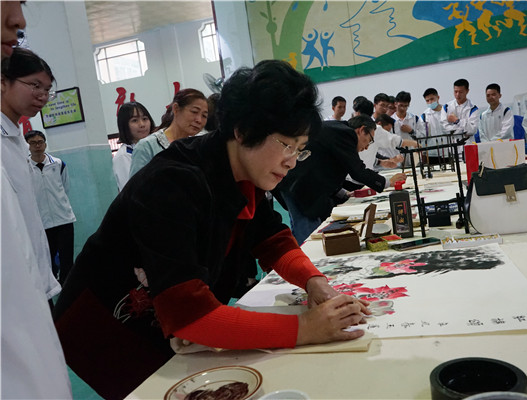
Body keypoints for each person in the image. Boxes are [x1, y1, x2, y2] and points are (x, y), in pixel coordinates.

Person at [53, 60, 369, 400]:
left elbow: (272, 238)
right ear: (243, 130)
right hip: (107, 322)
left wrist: (315, 282)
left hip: (168, 313)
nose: (292, 161)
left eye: (300, 149)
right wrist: (305, 328)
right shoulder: (173, 182)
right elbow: (190, 316)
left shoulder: (243, 174)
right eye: (286, 145)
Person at [1, 24, 72, 400]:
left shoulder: (14, 137)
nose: (43, 95)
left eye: (48, 88)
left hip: (34, 277)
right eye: (34, 86)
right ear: (3, 83)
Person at [276, 115, 406, 243]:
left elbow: (332, 170)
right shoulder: (345, 134)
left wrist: (343, 194)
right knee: (308, 235)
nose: (367, 147)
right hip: (300, 188)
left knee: (317, 230)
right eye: (369, 140)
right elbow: (357, 170)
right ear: (361, 130)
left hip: (304, 186)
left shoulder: (339, 131)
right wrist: (387, 182)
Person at [25, 130, 77, 285]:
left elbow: (65, 188)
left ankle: (67, 289)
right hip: (42, 223)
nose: (37, 146)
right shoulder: (24, 167)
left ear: (45, 144)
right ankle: (52, 289)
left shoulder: (58, 164)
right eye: (33, 143)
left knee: (67, 259)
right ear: (27, 146)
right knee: (48, 260)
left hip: (64, 219)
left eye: (40, 142)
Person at [129, 88, 208, 177]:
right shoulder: (147, 147)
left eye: (204, 116)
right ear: (176, 109)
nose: (199, 120)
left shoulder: (200, 146)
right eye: (194, 112)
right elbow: (136, 184)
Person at [112, 101, 155, 191]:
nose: (142, 124)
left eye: (145, 119)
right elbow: (132, 191)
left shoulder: (152, 146)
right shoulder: (123, 157)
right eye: (135, 120)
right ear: (124, 125)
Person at [416, 88, 450, 165]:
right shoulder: (425, 116)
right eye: (427, 101)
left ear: (438, 97)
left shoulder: (448, 111)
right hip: (432, 153)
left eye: (432, 99)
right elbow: (422, 135)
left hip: (448, 150)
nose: (430, 102)